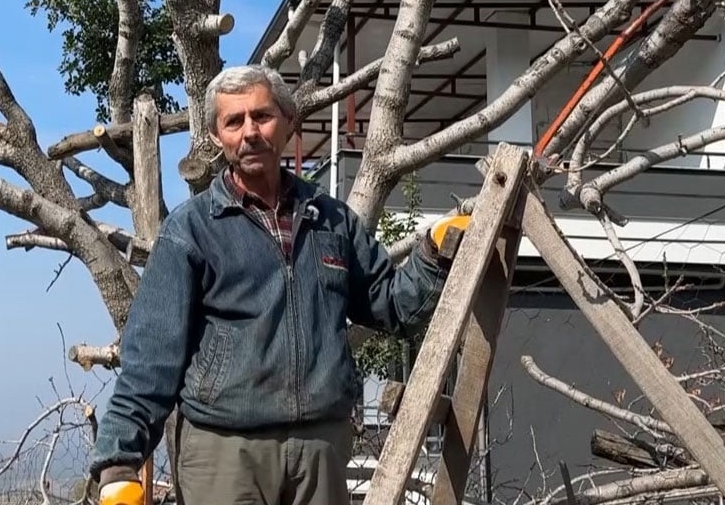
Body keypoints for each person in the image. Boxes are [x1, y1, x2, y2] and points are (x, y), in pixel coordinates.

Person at [90, 64, 453, 505]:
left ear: (287, 122)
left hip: (321, 449)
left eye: (261, 116)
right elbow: (150, 358)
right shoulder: (192, 231)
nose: (250, 132)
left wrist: (434, 253)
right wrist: (118, 461)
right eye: (234, 121)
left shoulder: (332, 221)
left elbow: (393, 306)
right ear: (216, 136)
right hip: (225, 452)